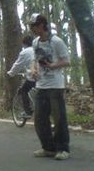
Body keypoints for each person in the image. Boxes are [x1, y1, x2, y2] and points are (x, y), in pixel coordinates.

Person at [28, 13, 71, 160]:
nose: (33, 29)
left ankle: (63, 148)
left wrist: (53, 66)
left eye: (35, 25)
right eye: (31, 26)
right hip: (41, 85)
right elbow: (35, 59)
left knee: (59, 118)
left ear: (42, 25)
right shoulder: (35, 43)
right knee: (39, 118)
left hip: (55, 85)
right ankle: (48, 147)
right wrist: (34, 70)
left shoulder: (56, 41)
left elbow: (66, 61)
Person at [7, 35, 36, 118]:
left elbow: (17, 65)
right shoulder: (36, 49)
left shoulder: (25, 52)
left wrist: (11, 73)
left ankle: (28, 112)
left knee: (24, 90)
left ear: (24, 44)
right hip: (43, 76)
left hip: (33, 77)